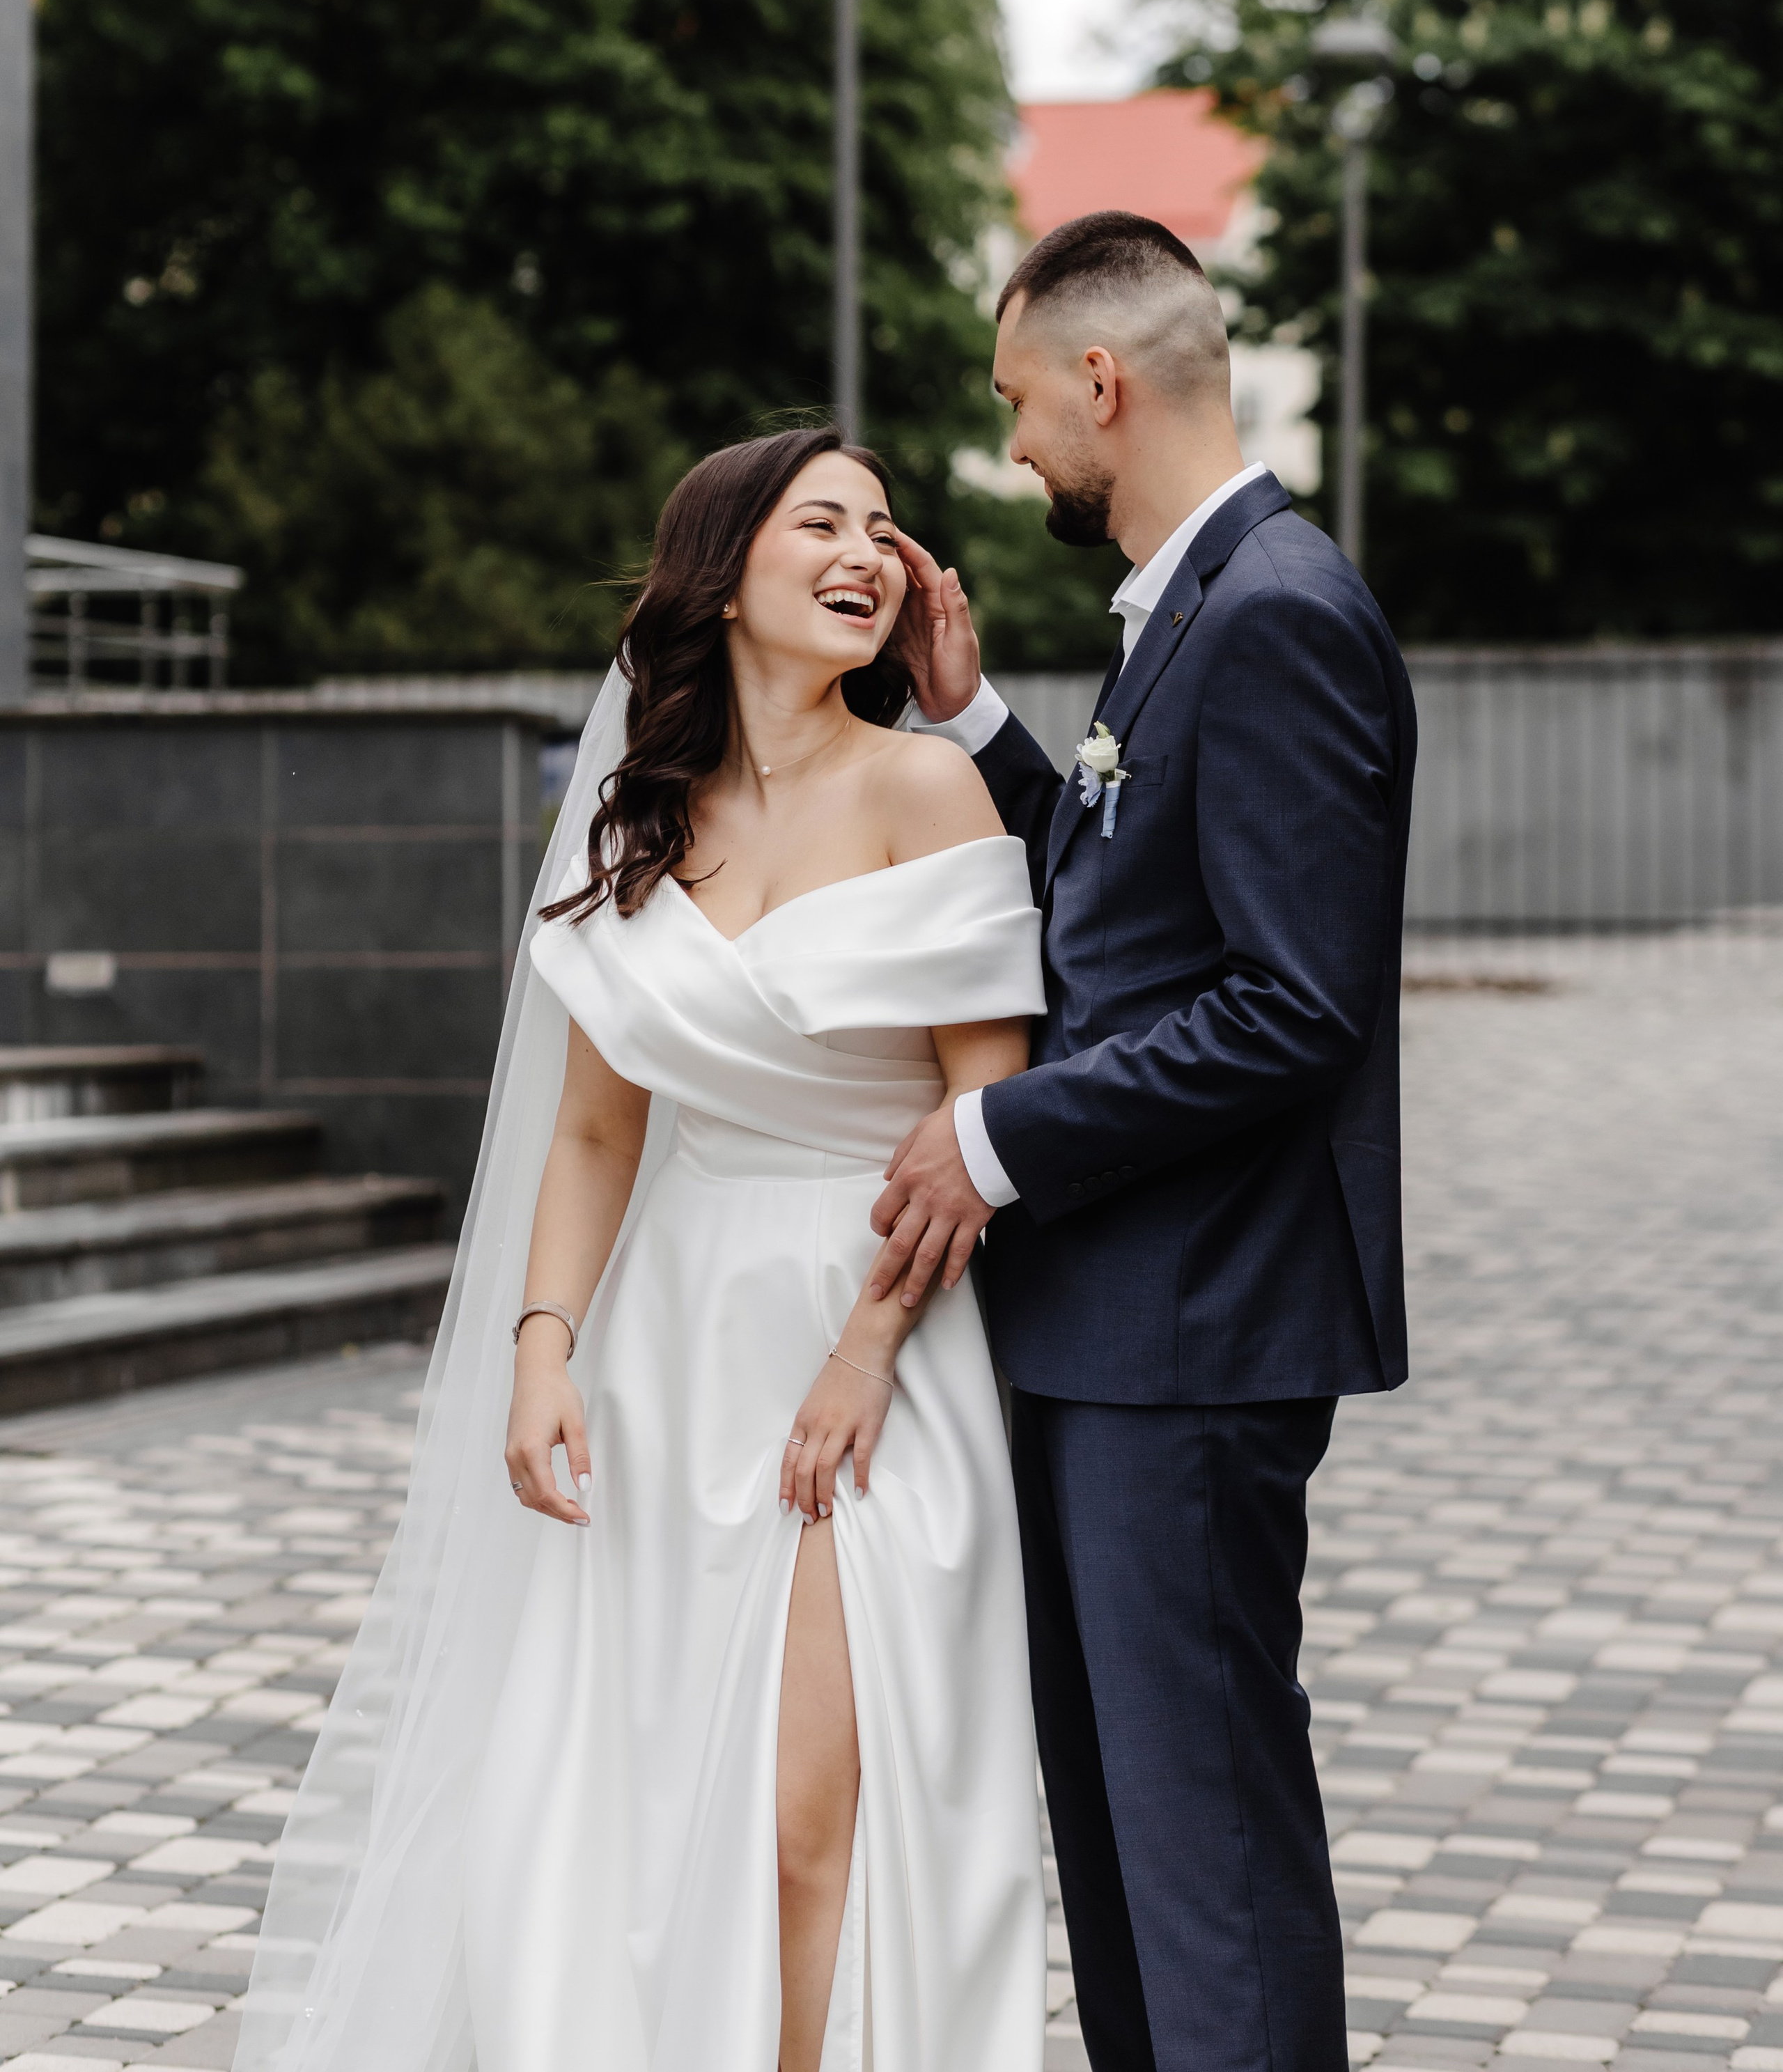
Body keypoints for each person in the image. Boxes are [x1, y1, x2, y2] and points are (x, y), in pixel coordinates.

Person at [238, 428, 1048, 2072]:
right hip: (674, 1344)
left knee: (811, 1811)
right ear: (722, 573)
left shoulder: (925, 788)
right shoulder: (645, 824)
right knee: (652, 1800)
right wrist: (543, 1348)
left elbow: (984, 1122)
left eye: (882, 528)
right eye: (820, 521)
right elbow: (598, 1133)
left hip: (880, 1332)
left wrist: (864, 1350)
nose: (863, 552)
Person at [880, 210, 1417, 2072]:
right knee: (1124, 1833)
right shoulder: (1196, 605)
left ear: (1099, 381)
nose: (1014, 442)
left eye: (1017, 399)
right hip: (1120, 1327)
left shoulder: (1276, 613)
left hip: (1193, 1332)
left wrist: (998, 1135)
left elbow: (1291, 1003)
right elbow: (1127, 914)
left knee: (1205, 1847)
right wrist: (974, 721)